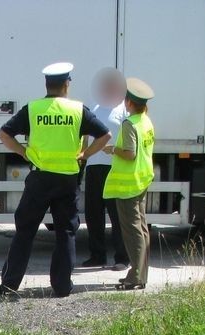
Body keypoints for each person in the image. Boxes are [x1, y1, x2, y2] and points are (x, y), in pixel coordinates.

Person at [0, 62, 112, 298]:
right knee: (65, 233)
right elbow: (105, 135)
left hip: (39, 178)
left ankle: (9, 285)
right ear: (67, 84)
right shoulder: (79, 110)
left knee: (25, 231)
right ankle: (62, 287)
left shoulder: (34, 109)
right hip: (67, 179)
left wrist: (22, 151)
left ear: (47, 84)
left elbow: (3, 133)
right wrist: (84, 154)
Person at [102, 78, 155, 291]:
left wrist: (113, 149)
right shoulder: (146, 121)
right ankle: (142, 274)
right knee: (142, 229)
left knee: (132, 232)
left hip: (129, 185)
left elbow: (130, 154)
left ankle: (135, 276)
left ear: (129, 102)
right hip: (142, 180)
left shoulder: (129, 124)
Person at [81, 68, 129, 270]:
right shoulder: (94, 107)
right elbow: (85, 135)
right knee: (93, 214)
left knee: (117, 216)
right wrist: (84, 155)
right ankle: (97, 255)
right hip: (94, 167)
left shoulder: (123, 110)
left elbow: (129, 140)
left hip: (113, 168)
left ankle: (122, 258)